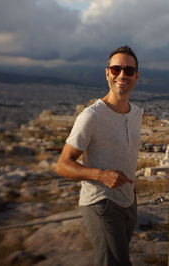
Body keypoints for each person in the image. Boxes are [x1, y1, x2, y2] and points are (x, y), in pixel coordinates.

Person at [56, 45, 142, 266]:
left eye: (129, 71)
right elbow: (63, 165)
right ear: (107, 73)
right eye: (116, 69)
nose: (122, 75)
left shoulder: (136, 113)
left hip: (128, 201)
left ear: (136, 76)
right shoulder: (91, 115)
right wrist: (100, 175)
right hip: (100, 202)